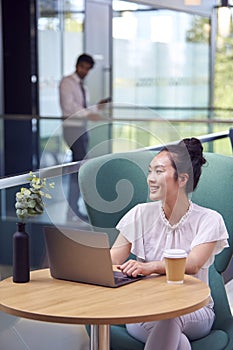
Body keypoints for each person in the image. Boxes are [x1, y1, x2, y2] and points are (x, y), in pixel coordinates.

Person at [110, 137, 229, 350]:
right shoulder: (140, 214)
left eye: (159, 171)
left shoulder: (210, 220)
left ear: (182, 179)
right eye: (150, 171)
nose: (150, 179)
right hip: (144, 308)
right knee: (178, 342)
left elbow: (192, 264)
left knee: (171, 317)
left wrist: (149, 267)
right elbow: (113, 260)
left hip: (194, 310)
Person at [59, 53, 109, 222]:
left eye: (88, 69)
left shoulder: (82, 86)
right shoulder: (67, 82)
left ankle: (74, 208)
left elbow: (81, 108)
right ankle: (72, 209)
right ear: (78, 65)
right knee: (78, 169)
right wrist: (89, 114)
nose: (85, 71)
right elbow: (69, 107)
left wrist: (97, 108)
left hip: (81, 128)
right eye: (84, 67)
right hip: (71, 129)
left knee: (80, 168)